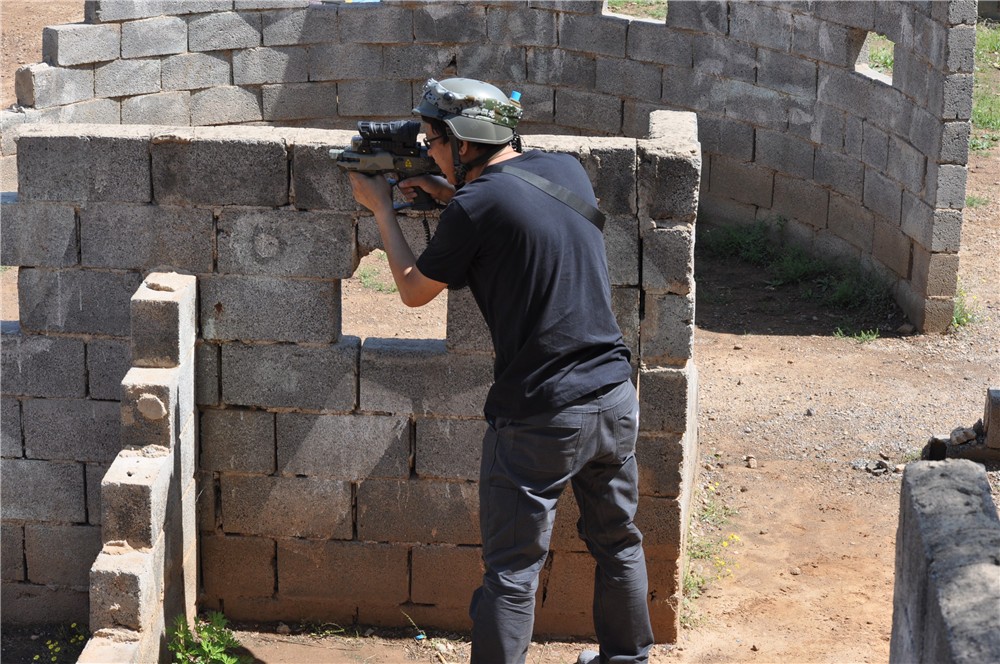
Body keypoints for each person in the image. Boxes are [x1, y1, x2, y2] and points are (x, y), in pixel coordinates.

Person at [347, 77, 654, 664]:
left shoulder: (475, 206)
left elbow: (414, 292)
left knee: (512, 572)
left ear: (463, 145)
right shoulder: (565, 169)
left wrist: (383, 208)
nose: (428, 149)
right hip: (614, 395)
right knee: (617, 543)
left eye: (434, 141)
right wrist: (447, 193)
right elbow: (520, 211)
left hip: (541, 413)